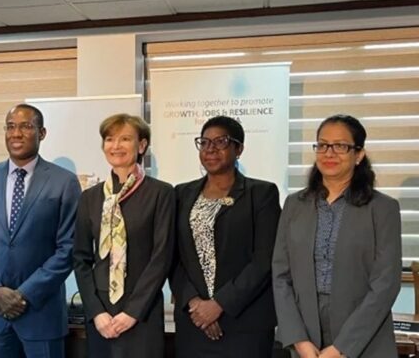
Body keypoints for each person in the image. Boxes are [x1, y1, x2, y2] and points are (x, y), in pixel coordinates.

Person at [273, 114, 402, 358]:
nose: (329, 153)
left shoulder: (382, 208)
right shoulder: (294, 204)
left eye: (340, 146)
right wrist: (298, 339)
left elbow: (385, 284)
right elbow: (280, 275)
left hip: (364, 339)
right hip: (306, 338)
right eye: (323, 145)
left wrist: (342, 348)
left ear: (359, 154)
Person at [0, 103, 82, 358]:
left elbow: (69, 247)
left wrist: (25, 294)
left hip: (42, 314)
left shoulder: (64, 182)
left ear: (42, 133)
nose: (16, 133)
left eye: (26, 126)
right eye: (10, 127)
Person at [170, 116, 281, 357]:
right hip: (194, 323)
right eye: (204, 142)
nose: (210, 149)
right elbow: (174, 257)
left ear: (238, 149)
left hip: (245, 323)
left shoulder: (261, 194)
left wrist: (219, 304)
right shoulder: (181, 194)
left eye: (221, 142)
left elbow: (264, 259)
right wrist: (195, 304)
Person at [73, 113, 176, 358]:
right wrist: (96, 312)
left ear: (141, 145)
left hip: (142, 312)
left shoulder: (161, 193)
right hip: (101, 313)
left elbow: (161, 257)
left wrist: (132, 312)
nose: (116, 146)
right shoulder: (90, 197)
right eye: (109, 139)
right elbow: (80, 258)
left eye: (125, 139)